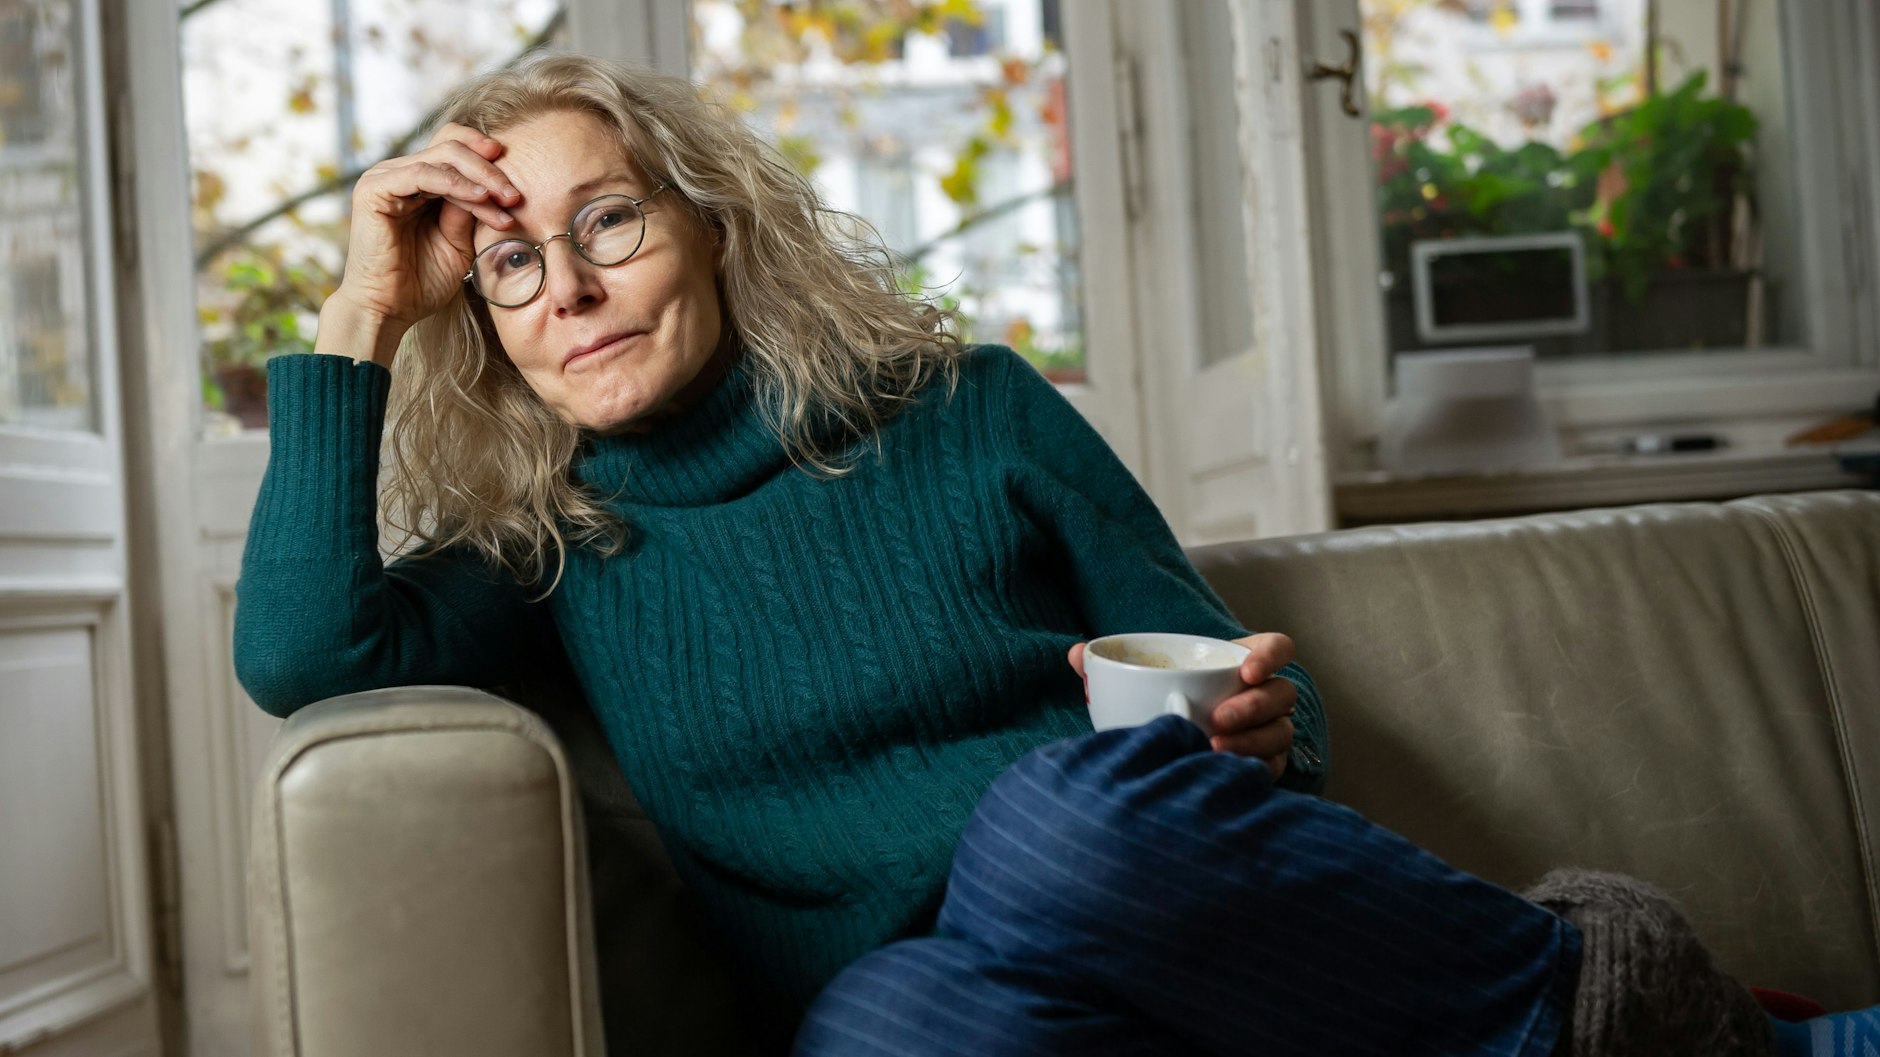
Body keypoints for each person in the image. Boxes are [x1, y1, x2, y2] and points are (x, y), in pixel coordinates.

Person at [232, 52, 1873, 1057]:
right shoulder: (551, 546)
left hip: (1133, 879)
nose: (569, 291)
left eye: (608, 224)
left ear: (715, 223)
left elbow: (1253, 716)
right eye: (509, 267)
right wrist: (361, 311)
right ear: (486, 326)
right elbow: (305, 656)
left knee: (1046, 828)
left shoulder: (973, 410)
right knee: (889, 1034)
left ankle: (1687, 1031)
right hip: (931, 1001)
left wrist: (1255, 719)